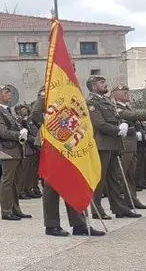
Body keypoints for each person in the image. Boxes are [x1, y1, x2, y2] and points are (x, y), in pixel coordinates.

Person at [32, 89, 103, 237]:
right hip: (52, 143)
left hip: (71, 142)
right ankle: (51, 225)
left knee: (74, 182)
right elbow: (36, 114)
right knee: (52, 185)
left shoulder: (70, 87)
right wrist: (52, 130)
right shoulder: (50, 86)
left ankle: (79, 224)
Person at [87, 76, 140, 219]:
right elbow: (99, 124)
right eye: (102, 82)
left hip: (113, 144)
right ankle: (97, 210)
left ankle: (119, 208)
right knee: (100, 179)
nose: (105, 84)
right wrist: (117, 130)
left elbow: (115, 117)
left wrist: (122, 124)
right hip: (102, 145)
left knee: (115, 178)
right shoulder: (91, 102)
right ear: (93, 86)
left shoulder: (106, 101)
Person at [0, 86, 31, 221]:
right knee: (7, 181)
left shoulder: (9, 111)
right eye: (6, 92)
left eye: (9, 92)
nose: (10, 94)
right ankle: (6, 211)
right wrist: (19, 134)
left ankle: (15, 209)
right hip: (8, 150)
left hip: (16, 149)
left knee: (15, 182)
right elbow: (2, 132)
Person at [111, 84, 146, 210]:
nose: (128, 95)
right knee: (121, 175)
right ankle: (120, 204)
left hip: (132, 144)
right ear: (116, 95)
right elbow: (134, 115)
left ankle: (132, 200)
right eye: (125, 93)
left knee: (130, 175)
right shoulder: (116, 108)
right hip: (125, 145)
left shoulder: (126, 106)